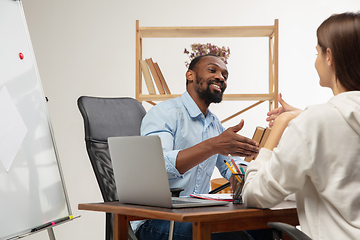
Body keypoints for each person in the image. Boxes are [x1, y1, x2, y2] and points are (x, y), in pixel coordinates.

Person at [242, 12, 360, 239]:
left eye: (317, 52)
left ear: (330, 57)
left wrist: (282, 125)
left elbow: (255, 194)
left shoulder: (315, 122)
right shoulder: (317, 119)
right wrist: (304, 116)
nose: (315, 61)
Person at [134, 53, 262, 240]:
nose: (220, 77)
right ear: (190, 75)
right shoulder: (164, 113)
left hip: (196, 213)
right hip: (155, 219)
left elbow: (232, 165)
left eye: (225, 75)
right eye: (212, 70)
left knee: (265, 228)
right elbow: (157, 166)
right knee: (233, 237)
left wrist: (256, 173)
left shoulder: (214, 123)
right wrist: (212, 146)